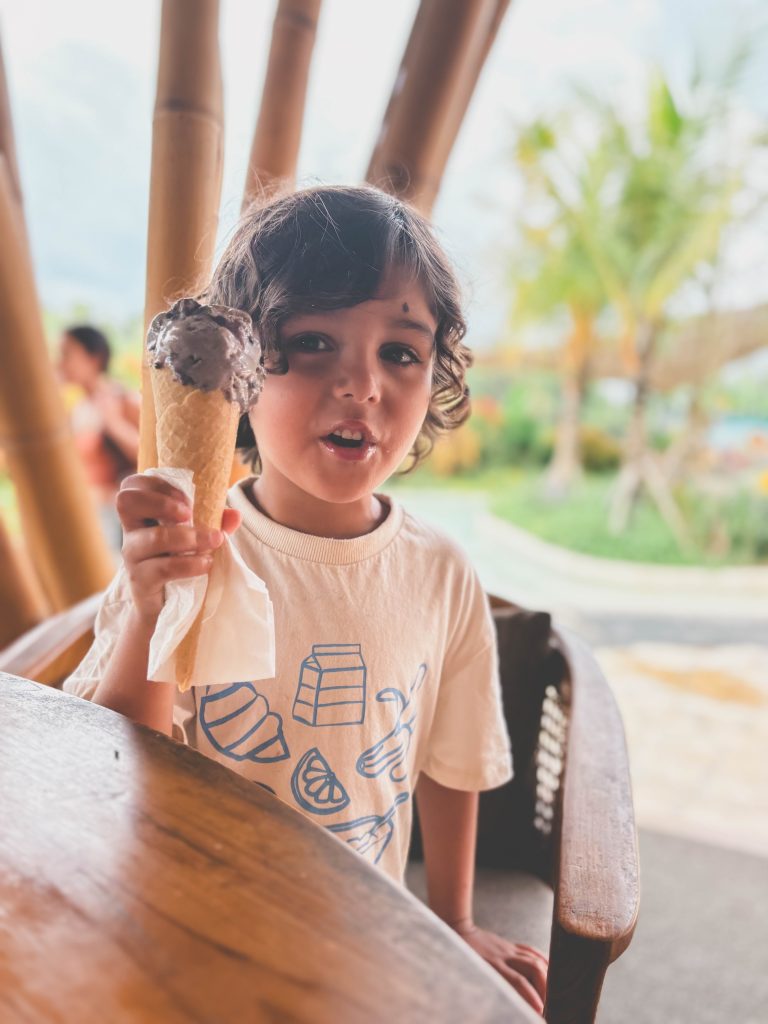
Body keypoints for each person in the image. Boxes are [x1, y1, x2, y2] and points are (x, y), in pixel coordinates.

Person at [63, 185, 548, 1014]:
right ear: (241, 373)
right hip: (188, 935)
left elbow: (453, 758)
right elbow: (116, 763)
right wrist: (150, 607)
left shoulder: (441, 572)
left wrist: (455, 919)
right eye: (314, 342)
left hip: (360, 946)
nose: (361, 384)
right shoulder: (187, 548)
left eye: (401, 352)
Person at [57, 324, 140, 547]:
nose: (59, 363)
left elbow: (151, 456)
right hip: (90, 515)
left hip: (117, 521)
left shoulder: (123, 400)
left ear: (94, 358)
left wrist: (115, 424)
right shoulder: (79, 407)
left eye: (66, 354)